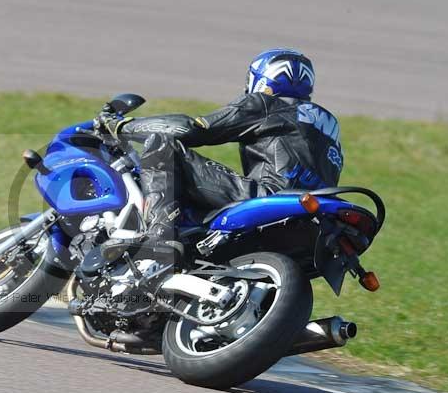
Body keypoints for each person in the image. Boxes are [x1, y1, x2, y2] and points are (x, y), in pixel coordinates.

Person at [98, 48, 343, 251]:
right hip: (315, 218)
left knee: (163, 144)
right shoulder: (329, 124)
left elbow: (190, 129)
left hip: (268, 197)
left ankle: (159, 237)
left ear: (262, 79)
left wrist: (120, 126)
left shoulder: (266, 104)